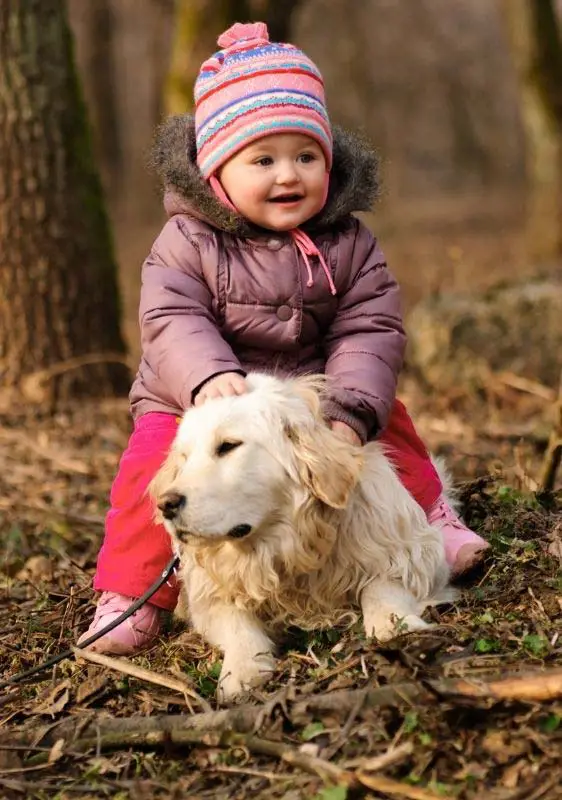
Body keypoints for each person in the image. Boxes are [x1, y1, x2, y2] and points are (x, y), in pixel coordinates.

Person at [78, 22, 488, 655]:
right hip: (195, 396)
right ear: (216, 173)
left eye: (306, 155)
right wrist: (209, 378)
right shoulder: (186, 241)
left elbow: (370, 325)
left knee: (391, 425)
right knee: (150, 476)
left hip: (311, 387)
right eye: (262, 160)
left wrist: (351, 411)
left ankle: (432, 523)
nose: (287, 175)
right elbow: (170, 317)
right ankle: (133, 593)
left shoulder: (348, 240)